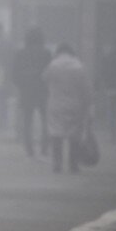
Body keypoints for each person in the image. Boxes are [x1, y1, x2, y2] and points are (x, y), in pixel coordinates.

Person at [43, 43, 93, 173]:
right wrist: (88, 104)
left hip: (56, 103)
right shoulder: (79, 66)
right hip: (75, 104)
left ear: (59, 52)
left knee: (56, 134)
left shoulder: (52, 65)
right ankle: (73, 165)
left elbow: (44, 78)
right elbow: (86, 89)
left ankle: (57, 164)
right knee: (74, 135)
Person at [12, 27, 52, 156]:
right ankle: (44, 147)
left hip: (26, 91)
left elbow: (14, 74)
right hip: (42, 90)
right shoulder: (46, 53)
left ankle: (29, 148)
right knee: (46, 119)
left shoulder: (20, 54)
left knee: (27, 121)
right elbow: (50, 72)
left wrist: (21, 84)